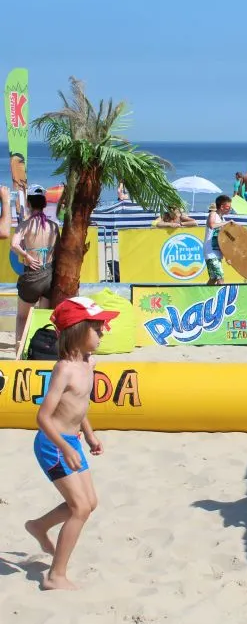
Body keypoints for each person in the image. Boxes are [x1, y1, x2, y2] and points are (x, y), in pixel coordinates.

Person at [25, 297, 119, 590]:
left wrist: (88, 434)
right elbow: (43, 417)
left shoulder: (90, 363)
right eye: (97, 328)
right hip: (52, 444)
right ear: (77, 331)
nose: (103, 332)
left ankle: (39, 526)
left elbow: (78, 406)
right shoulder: (63, 369)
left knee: (90, 503)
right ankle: (56, 576)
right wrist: (65, 447)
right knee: (79, 508)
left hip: (73, 441)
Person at [11, 185, 60, 349]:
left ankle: (19, 351)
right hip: (49, 276)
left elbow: (14, 245)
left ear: (29, 203)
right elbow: (58, 251)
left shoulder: (26, 225)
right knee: (41, 318)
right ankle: (40, 350)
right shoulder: (53, 226)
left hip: (32, 276)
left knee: (22, 317)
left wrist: (26, 256)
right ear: (44, 204)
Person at [204, 195, 232, 285]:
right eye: (228, 207)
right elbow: (212, 225)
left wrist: (227, 256)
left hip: (218, 252)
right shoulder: (213, 214)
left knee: (213, 278)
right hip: (210, 252)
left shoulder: (223, 219)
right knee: (220, 278)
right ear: (222, 207)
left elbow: (223, 240)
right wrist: (226, 223)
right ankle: (222, 294)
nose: (230, 209)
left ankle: (205, 293)